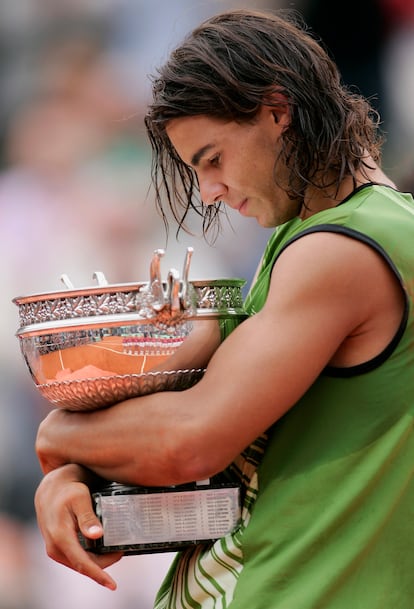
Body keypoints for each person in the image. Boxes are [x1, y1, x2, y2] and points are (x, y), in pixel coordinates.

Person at [33, 8, 414, 609]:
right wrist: (80, 482)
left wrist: (61, 434)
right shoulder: (312, 241)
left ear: (276, 111)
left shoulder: (342, 249)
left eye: (212, 159)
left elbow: (188, 441)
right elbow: (235, 484)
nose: (209, 190)